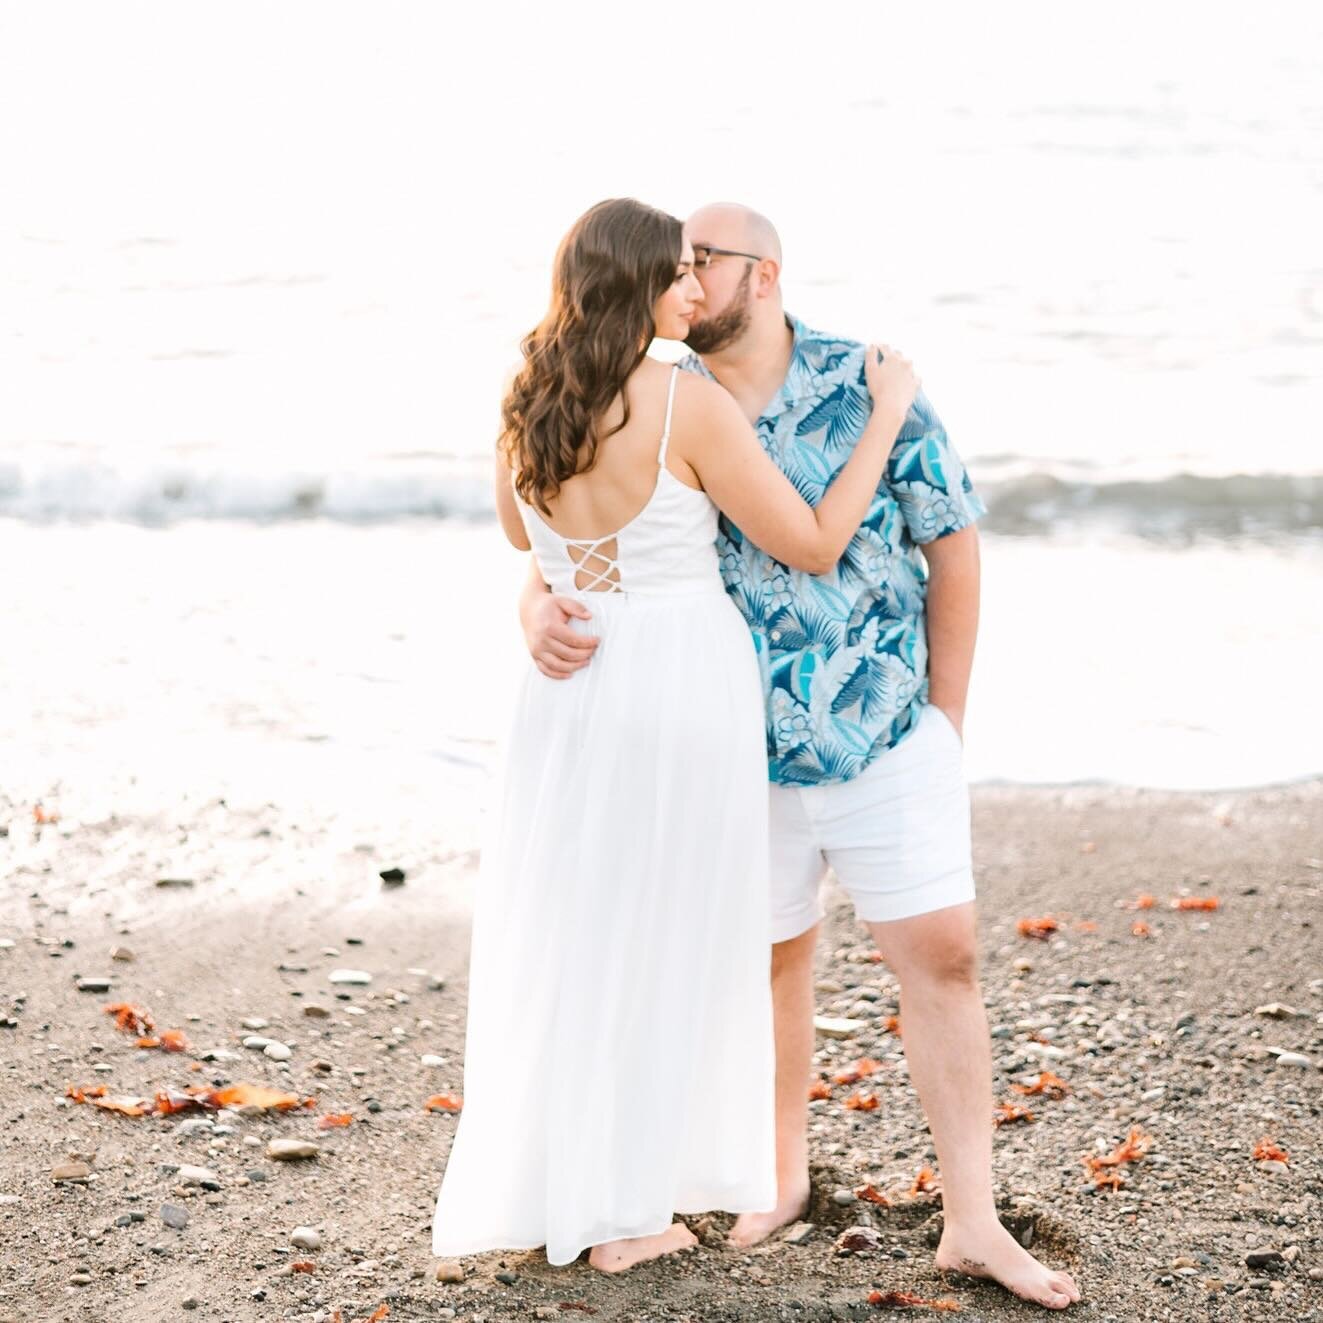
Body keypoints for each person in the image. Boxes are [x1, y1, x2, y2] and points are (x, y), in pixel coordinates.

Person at [520, 203, 1083, 1310]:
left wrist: (947, 717)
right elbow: (582, 544)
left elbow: (953, 540)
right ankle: (777, 1178)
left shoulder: (869, 387)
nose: (686, 283)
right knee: (771, 965)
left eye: (705, 264)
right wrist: (536, 607)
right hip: (735, 751)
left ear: (761, 276)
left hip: (881, 731)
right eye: (673, 268)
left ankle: (973, 1220)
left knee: (945, 958)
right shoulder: (655, 390)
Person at [431, 197, 921, 1274]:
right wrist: (885, 414)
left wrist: (541, 603)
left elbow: (530, 537)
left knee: (579, 932)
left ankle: (579, 1193)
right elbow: (809, 541)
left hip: (569, 694)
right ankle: (623, 1215)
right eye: (678, 272)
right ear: (636, 285)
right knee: (667, 935)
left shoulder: (529, 400)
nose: (696, 289)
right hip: (676, 682)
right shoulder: (682, 401)